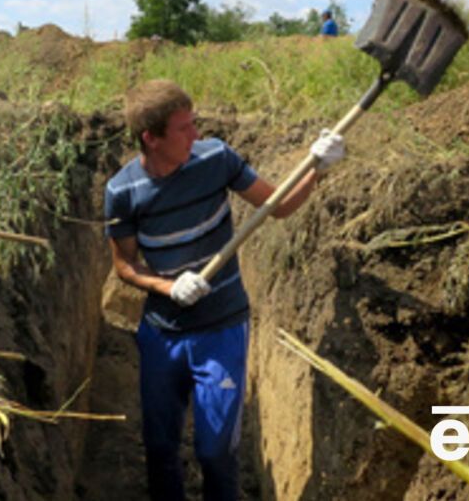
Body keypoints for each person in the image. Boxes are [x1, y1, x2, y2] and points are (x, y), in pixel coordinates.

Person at [103, 79, 344, 501]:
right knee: (160, 448)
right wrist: (167, 286)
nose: (196, 134)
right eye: (183, 128)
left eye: (194, 123)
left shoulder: (216, 159)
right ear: (151, 138)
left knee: (215, 452)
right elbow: (123, 265)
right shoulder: (122, 192)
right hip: (162, 334)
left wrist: (315, 169)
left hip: (221, 328)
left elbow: (279, 205)